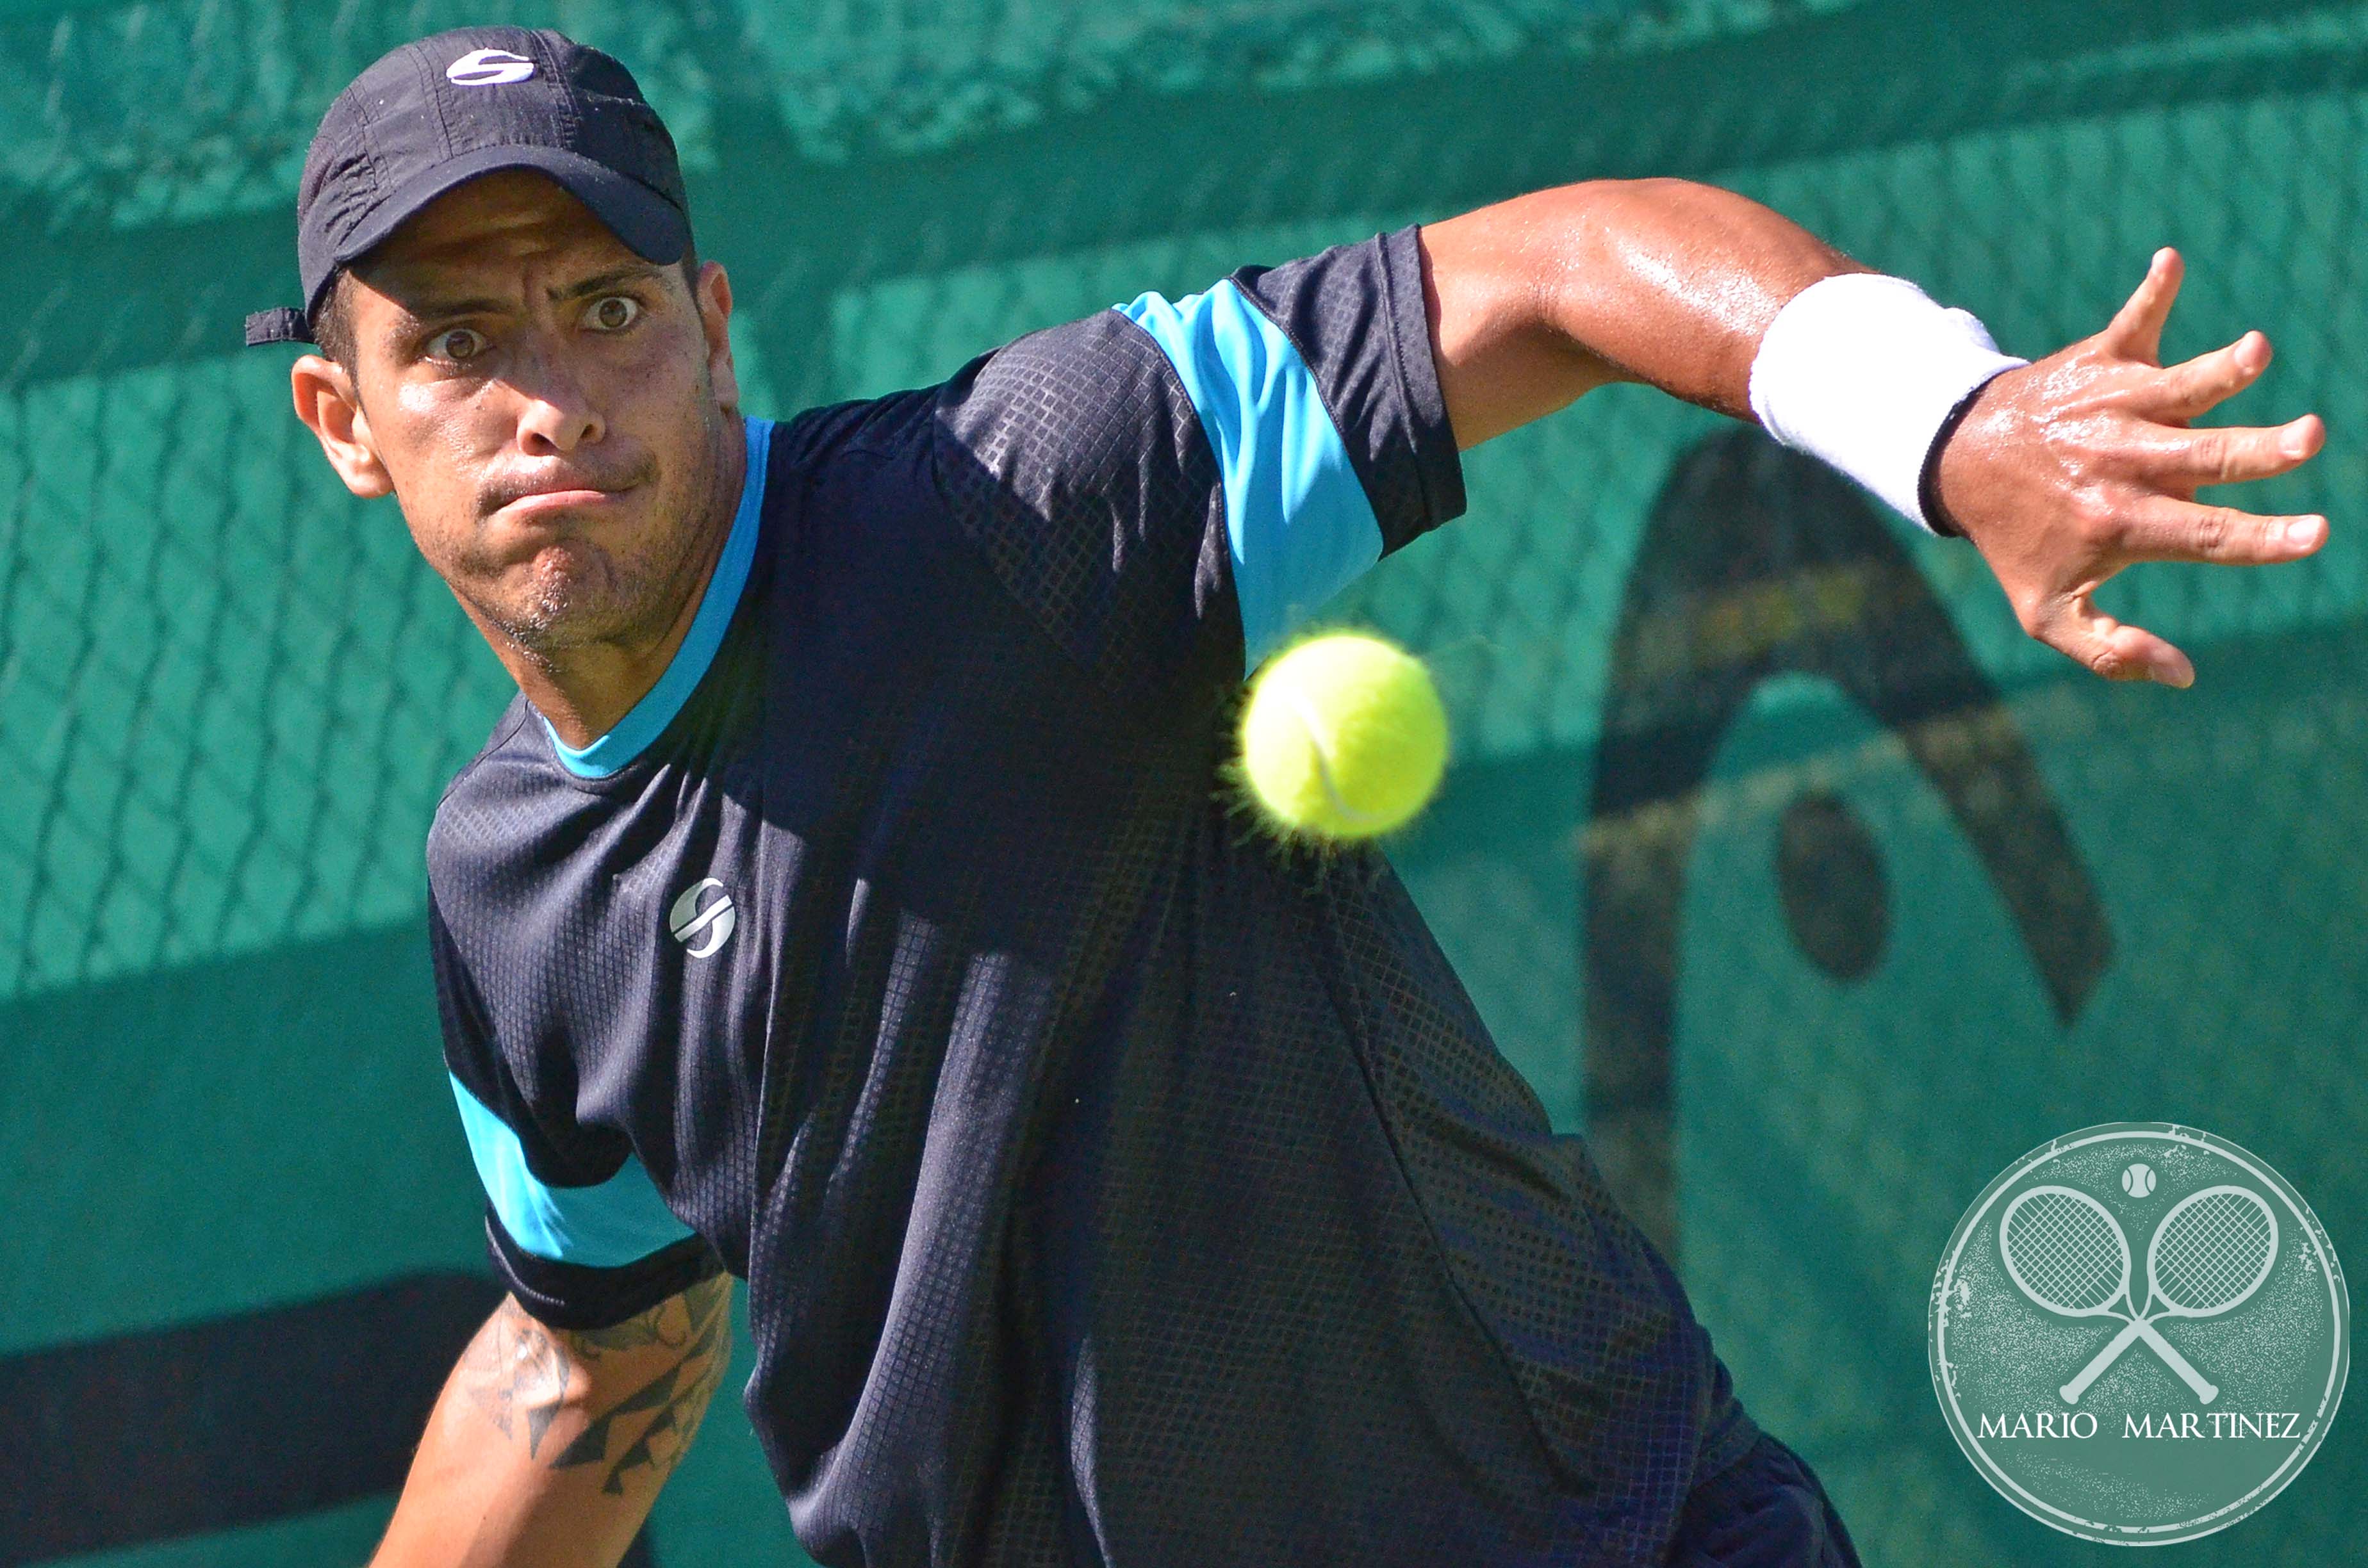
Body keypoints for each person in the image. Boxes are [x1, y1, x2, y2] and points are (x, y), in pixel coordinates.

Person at [248, 24, 2324, 1568]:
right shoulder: (505, 891)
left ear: (710, 331)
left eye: (607, 308)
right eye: (455, 344)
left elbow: (1569, 263)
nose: (546, 393)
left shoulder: (1021, 506)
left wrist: (1950, 417)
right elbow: (592, 1354)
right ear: (347, 421)